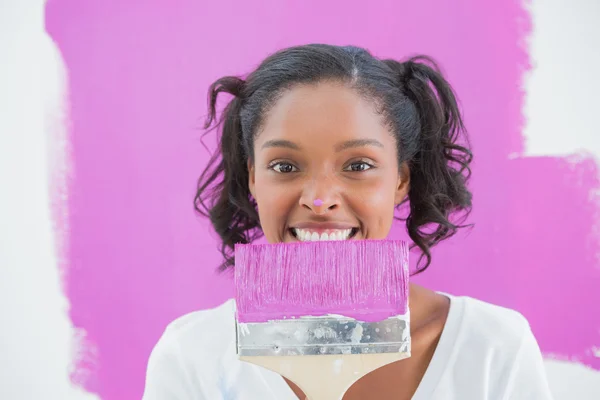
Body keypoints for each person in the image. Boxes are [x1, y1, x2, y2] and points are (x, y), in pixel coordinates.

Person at [142, 44, 553, 399]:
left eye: (358, 164)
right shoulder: (192, 354)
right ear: (253, 177)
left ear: (401, 180)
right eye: (284, 165)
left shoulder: (493, 347)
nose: (320, 200)